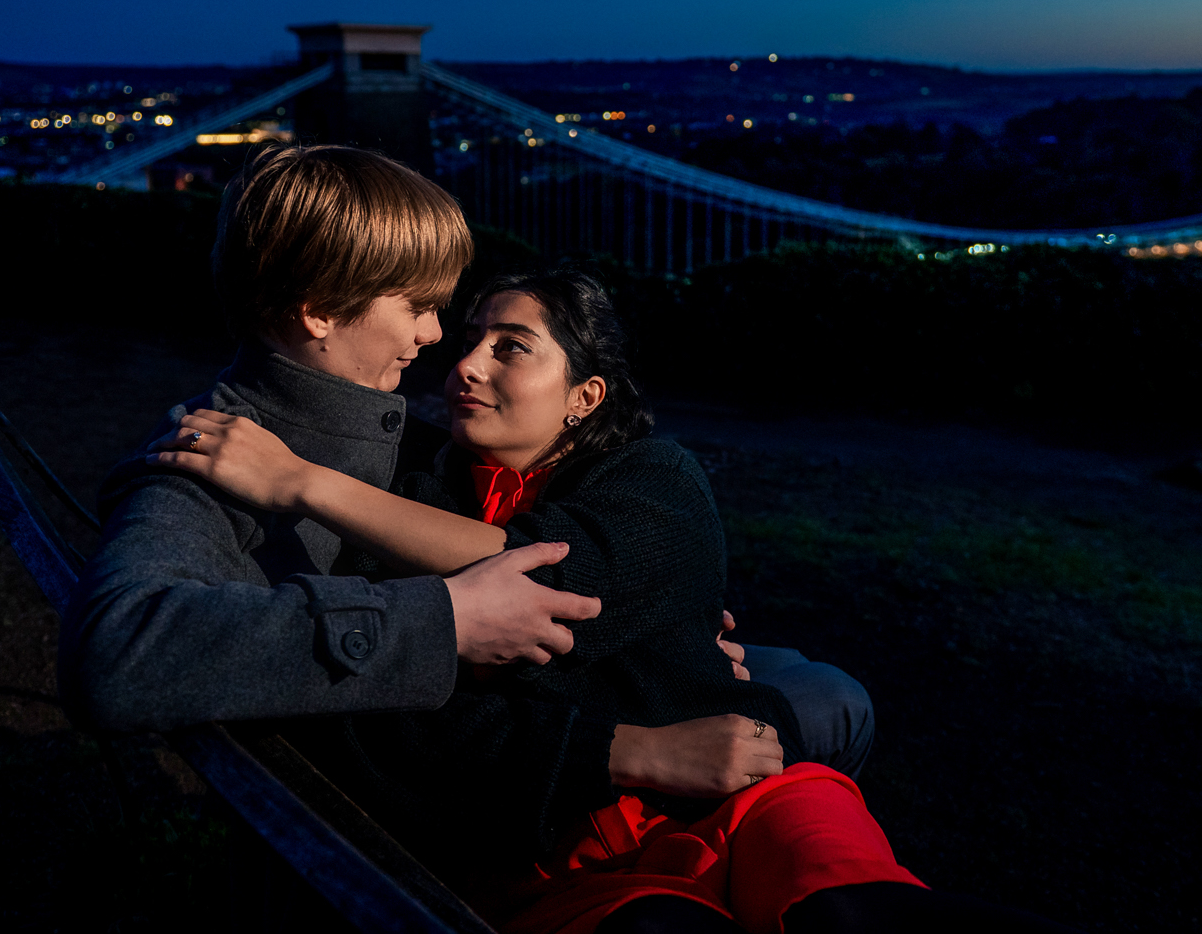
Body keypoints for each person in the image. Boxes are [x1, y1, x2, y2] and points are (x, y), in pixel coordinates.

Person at [153, 270, 1068, 933]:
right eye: (466, 337)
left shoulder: (656, 480)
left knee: (852, 911)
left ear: (585, 395)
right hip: (559, 856)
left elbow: (552, 580)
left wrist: (300, 480)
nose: (464, 363)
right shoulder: (418, 500)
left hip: (734, 802)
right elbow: (413, 701)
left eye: (509, 346)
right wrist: (626, 733)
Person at [62, 144, 867, 795]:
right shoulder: (211, 460)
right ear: (317, 310)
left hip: (535, 717)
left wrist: (666, 625)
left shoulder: (382, 441)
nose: (435, 333)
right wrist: (445, 619)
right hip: (479, 791)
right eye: (417, 304)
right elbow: (116, 653)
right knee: (832, 702)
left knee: (799, 678)